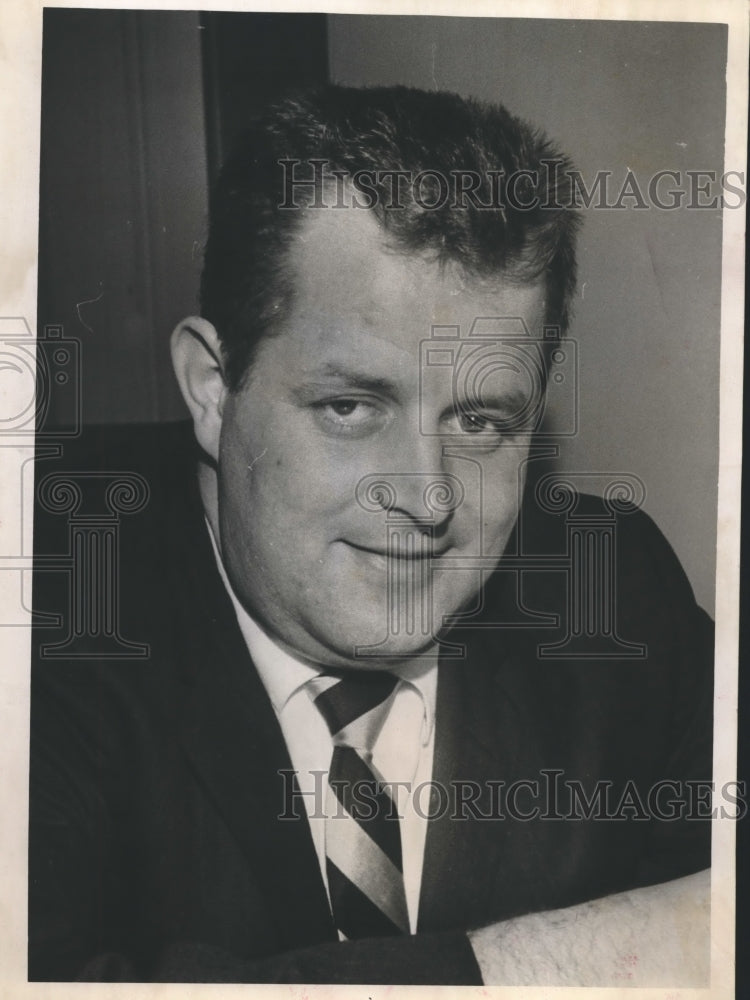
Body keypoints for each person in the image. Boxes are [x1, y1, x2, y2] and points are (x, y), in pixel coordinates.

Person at [28, 85, 713, 985]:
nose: (428, 498)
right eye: (350, 406)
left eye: (479, 423)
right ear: (211, 386)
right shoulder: (45, 603)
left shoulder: (616, 593)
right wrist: (534, 967)